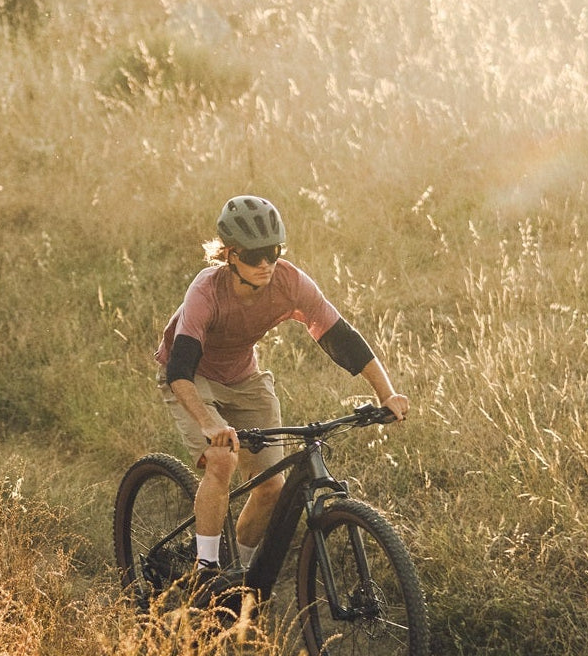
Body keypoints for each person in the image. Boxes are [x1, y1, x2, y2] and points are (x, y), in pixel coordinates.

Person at [154, 194, 409, 582]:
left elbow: (341, 338)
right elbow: (179, 370)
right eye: (254, 255)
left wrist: (385, 393)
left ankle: (235, 577)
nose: (265, 264)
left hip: (244, 377)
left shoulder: (290, 282)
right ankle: (205, 572)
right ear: (230, 255)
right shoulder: (206, 291)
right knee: (221, 459)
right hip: (191, 377)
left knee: (272, 487)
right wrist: (208, 422)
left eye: (272, 252)